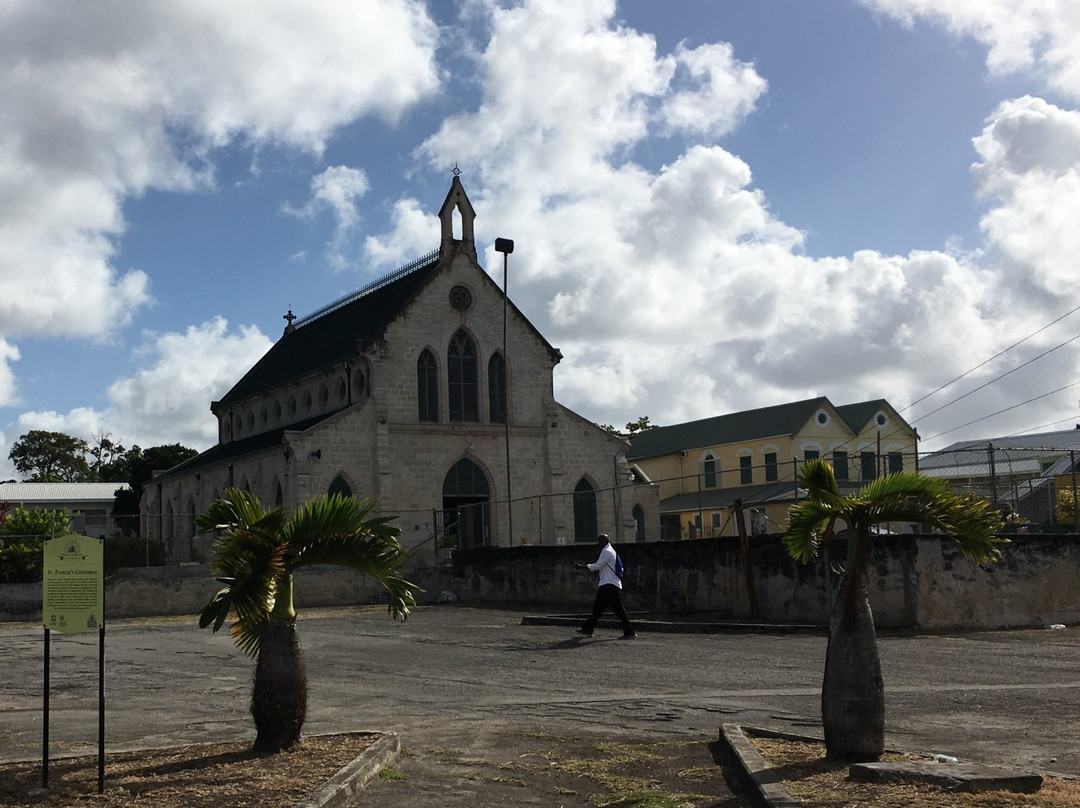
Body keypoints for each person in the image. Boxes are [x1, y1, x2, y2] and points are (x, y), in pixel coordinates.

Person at [576, 533, 636, 639]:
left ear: (605, 541)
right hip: (607, 584)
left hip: (610, 584)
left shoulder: (607, 552)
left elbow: (598, 565)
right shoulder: (609, 551)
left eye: (600, 541)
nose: (598, 543)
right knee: (598, 608)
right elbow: (601, 567)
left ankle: (629, 632)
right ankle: (588, 628)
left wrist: (583, 567)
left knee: (617, 609)